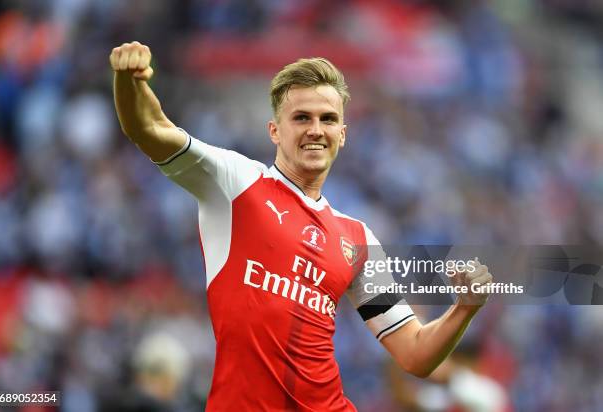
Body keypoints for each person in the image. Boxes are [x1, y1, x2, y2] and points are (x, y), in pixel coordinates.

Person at [110, 41, 494, 411]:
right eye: (301, 118)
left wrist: (465, 308)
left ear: (342, 135)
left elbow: (413, 353)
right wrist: (129, 80)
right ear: (274, 130)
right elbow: (149, 128)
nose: (316, 130)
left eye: (328, 119)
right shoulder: (236, 182)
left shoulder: (357, 238)